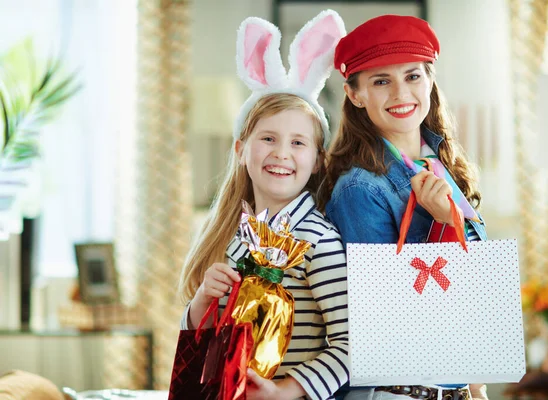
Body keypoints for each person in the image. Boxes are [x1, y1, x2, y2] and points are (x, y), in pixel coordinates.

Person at [178, 10, 349, 400]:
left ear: (318, 159)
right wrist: (203, 299)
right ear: (241, 150)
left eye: (298, 142)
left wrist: (285, 390)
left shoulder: (316, 240)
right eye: (268, 139)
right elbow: (203, 340)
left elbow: (352, 343)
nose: (282, 154)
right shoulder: (235, 236)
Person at [316, 15, 489, 400]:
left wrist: (475, 383)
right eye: (381, 81)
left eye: (412, 76)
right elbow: (386, 315)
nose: (401, 93)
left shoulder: (445, 166)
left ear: (429, 80)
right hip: (395, 390)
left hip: (451, 387)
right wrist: (443, 226)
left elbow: (476, 290)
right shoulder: (360, 189)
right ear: (354, 94)